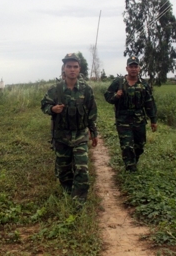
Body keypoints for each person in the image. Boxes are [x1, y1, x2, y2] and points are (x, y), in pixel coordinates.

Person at [41, 53, 98, 205]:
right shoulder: (56, 90)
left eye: (75, 66)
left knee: (82, 168)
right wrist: (52, 109)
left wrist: (94, 132)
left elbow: (92, 112)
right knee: (64, 170)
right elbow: (44, 105)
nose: (72, 70)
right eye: (69, 66)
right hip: (61, 136)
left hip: (80, 135)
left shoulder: (86, 90)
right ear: (64, 69)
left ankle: (79, 201)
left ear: (79, 69)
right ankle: (67, 191)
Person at [103, 56, 157, 172]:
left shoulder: (144, 84)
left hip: (139, 120)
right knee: (127, 145)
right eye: (131, 66)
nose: (133, 69)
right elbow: (107, 97)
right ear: (126, 68)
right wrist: (116, 96)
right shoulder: (118, 82)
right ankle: (130, 168)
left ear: (139, 68)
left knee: (139, 145)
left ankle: (134, 160)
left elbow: (149, 102)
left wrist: (153, 120)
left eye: (135, 66)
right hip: (123, 120)